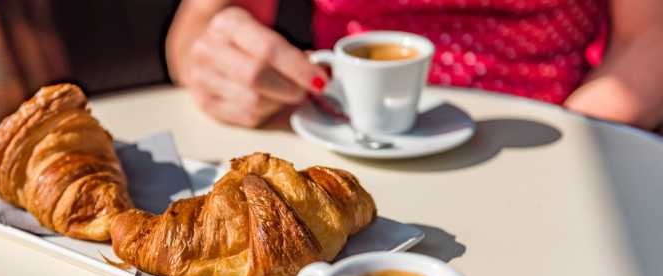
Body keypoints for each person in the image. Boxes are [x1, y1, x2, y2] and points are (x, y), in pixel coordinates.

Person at [166, 0, 663, 130]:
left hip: (544, 129)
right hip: (345, 133)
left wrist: (571, 137)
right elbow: (199, 24)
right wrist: (212, 61)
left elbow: (647, 38)